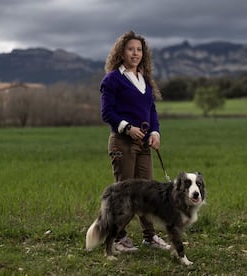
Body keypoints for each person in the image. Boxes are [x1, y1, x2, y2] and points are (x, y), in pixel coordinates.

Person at [100, 31, 170, 252]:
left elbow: (151, 110)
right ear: (121, 52)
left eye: (139, 50)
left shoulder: (144, 79)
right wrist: (127, 128)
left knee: (147, 192)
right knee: (125, 193)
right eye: (131, 49)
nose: (135, 53)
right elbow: (107, 112)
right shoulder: (112, 79)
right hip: (122, 143)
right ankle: (119, 238)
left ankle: (149, 237)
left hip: (144, 146)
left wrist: (155, 133)